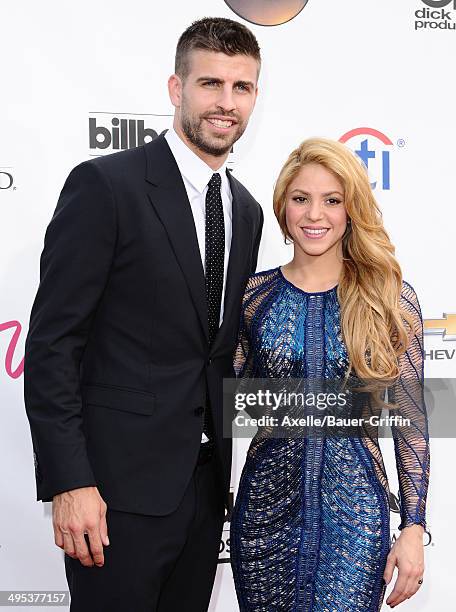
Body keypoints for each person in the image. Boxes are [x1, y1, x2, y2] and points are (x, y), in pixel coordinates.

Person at [23, 17, 263, 612]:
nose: (225, 103)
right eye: (210, 84)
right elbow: (53, 344)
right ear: (176, 89)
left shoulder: (247, 210)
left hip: (206, 493)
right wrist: (70, 482)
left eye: (242, 87)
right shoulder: (106, 186)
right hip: (112, 496)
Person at [230, 138, 430, 610]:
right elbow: (218, 397)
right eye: (301, 199)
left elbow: (410, 422)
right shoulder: (252, 299)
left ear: (350, 210)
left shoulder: (388, 300)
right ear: (283, 207)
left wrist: (414, 526)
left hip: (356, 521)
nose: (314, 214)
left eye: (332, 200)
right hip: (264, 515)